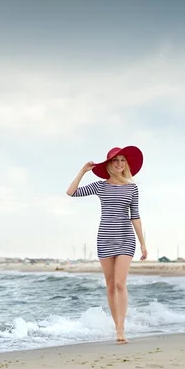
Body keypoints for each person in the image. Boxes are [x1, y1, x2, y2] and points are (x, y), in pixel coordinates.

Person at [66, 146, 147, 344]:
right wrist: (82, 172)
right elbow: (71, 192)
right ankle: (116, 325)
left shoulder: (132, 188)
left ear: (126, 164)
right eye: (115, 160)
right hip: (105, 238)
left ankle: (121, 328)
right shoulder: (100, 186)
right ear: (109, 164)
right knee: (110, 286)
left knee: (120, 283)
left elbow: (135, 216)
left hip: (126, 238)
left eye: (122, 160)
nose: (119, 164)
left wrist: (144, 244)